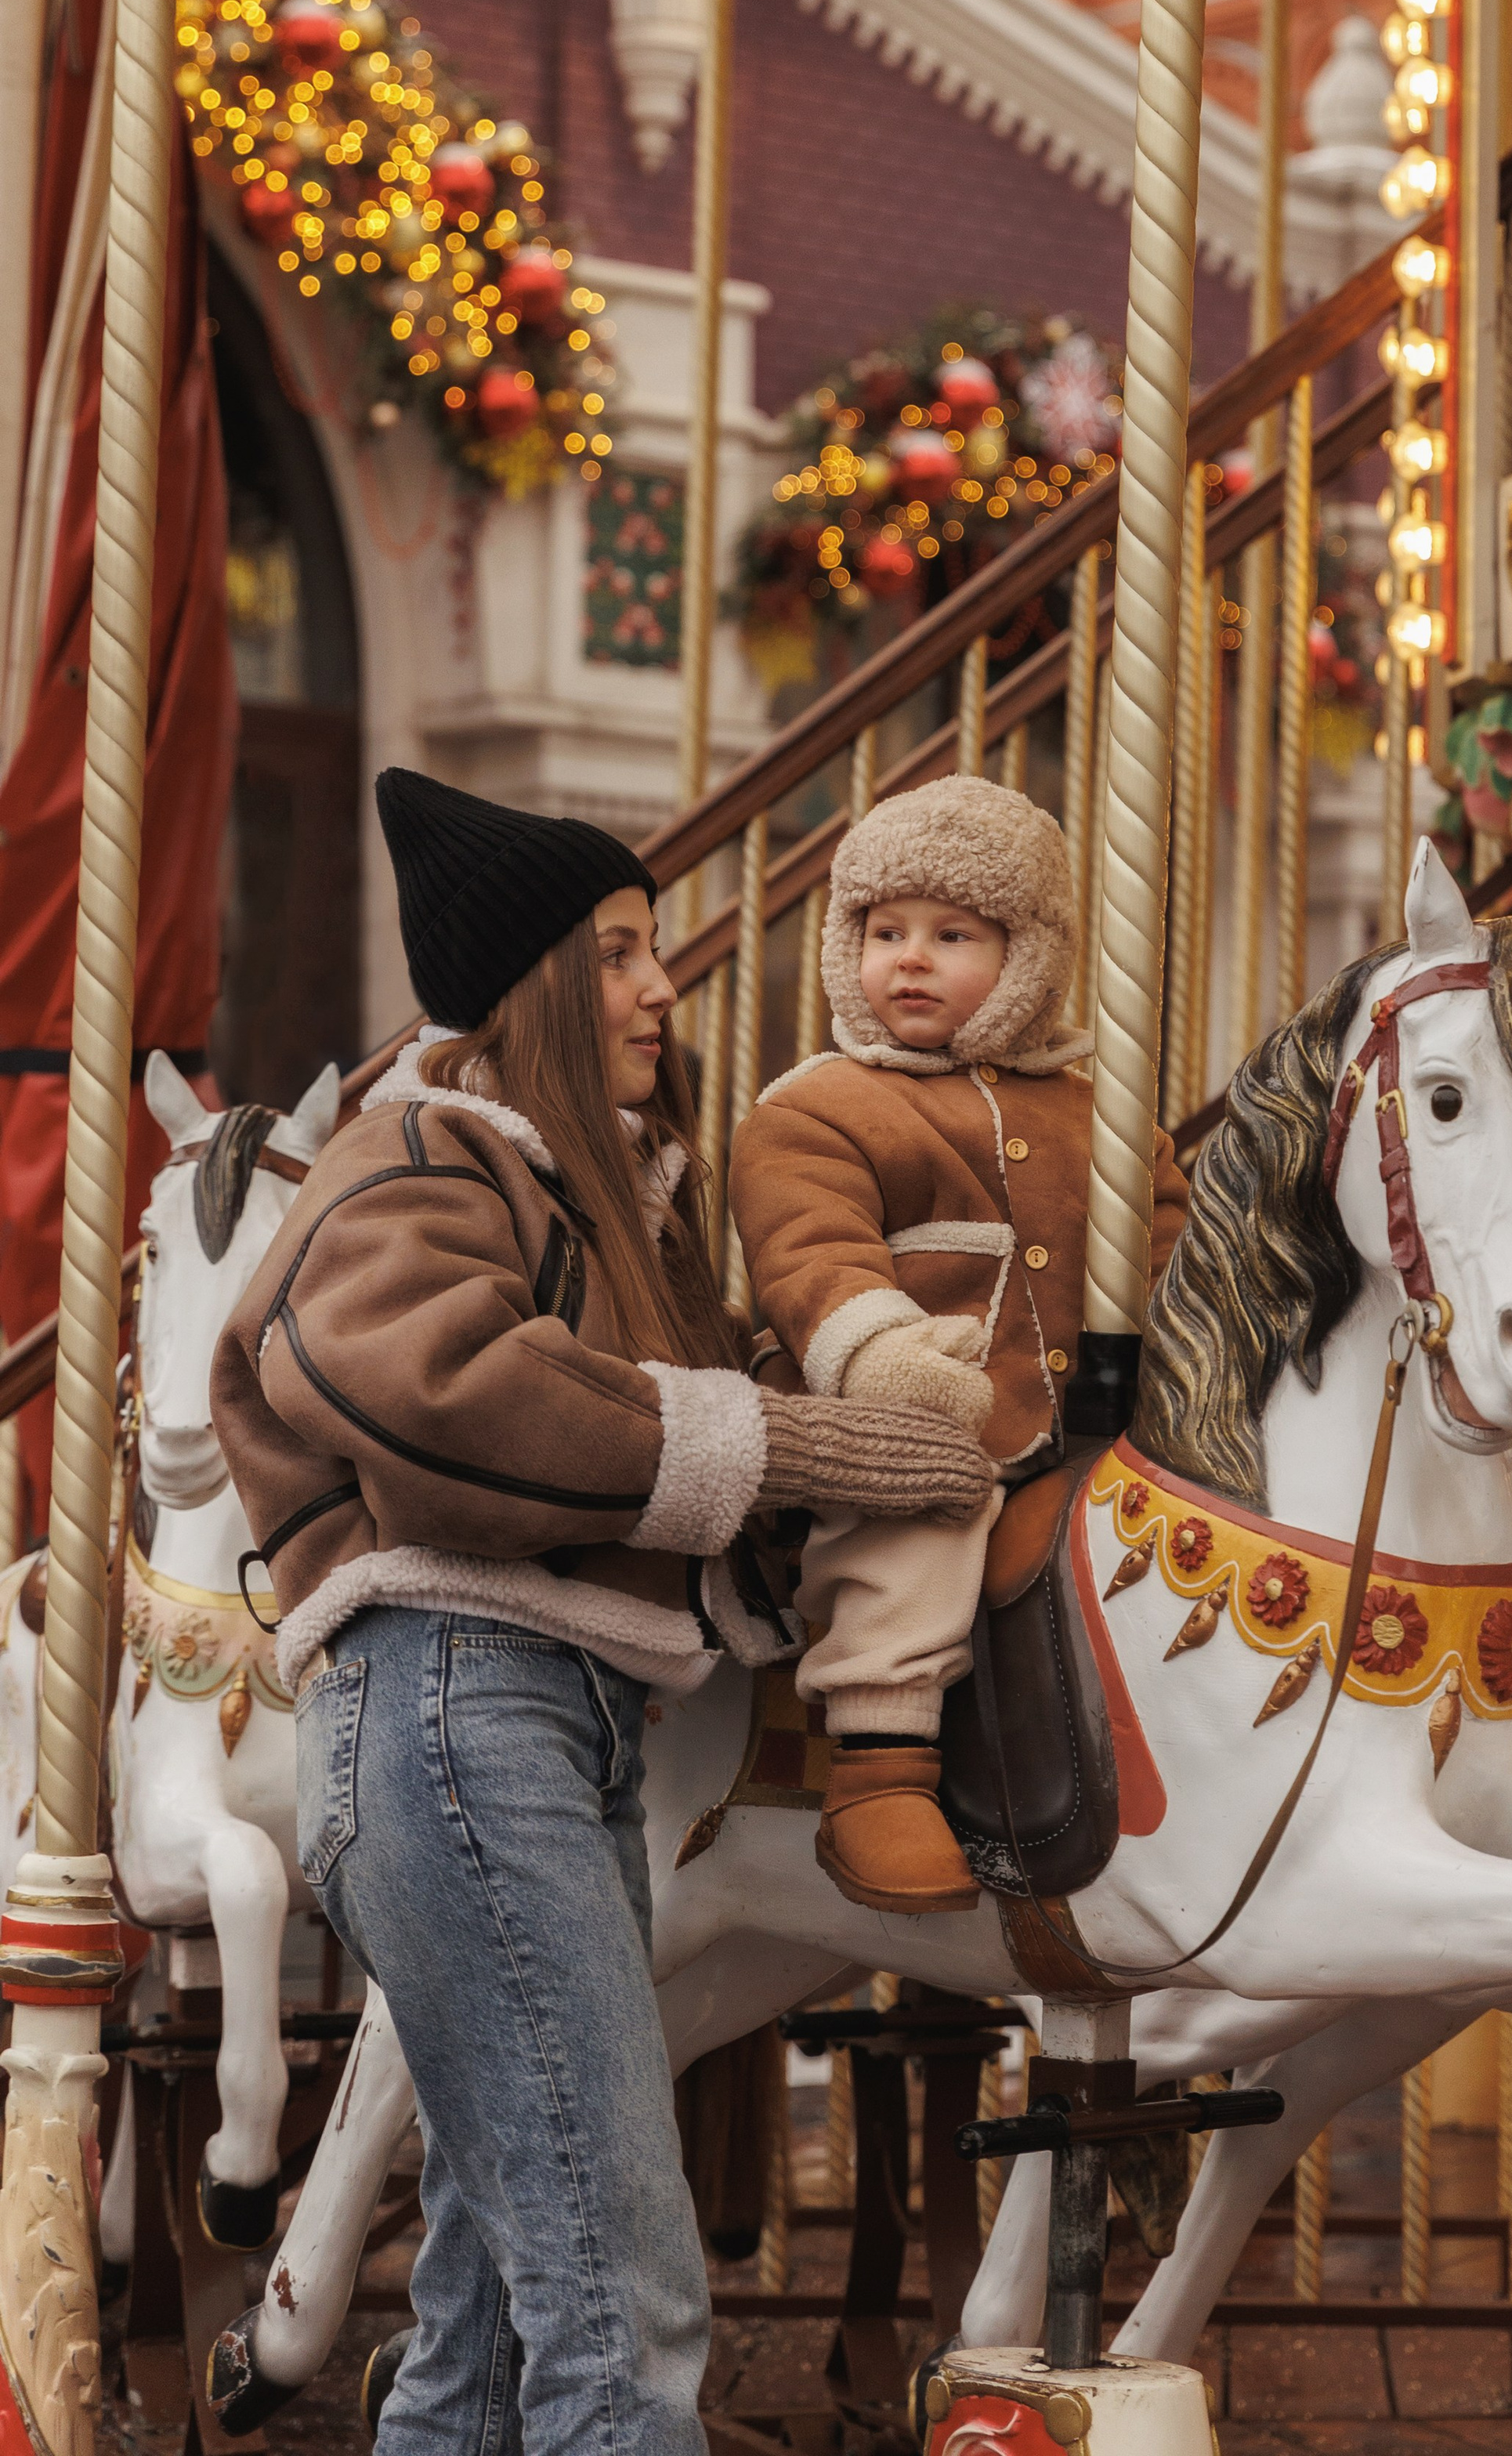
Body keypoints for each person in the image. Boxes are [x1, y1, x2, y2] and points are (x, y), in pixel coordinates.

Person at [210, 768, 990, 2456]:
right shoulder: (412, 1155)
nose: (661, 987)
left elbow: (673, 1443)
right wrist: (783, 1436)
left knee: (494, 2316)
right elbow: (437, 1388)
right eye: (624, 952)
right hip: (448, 1700)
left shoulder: (593, 1200)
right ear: (537, 985)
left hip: (539, 1724)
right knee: (621, 2293)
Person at [730, 772, 1186, 1917]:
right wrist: (876, 1354)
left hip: (1084, 1422)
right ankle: (880, 1767)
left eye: (953, 934)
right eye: (884, 932)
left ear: (1029, 959)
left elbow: (1177, 1239)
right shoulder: (819, 1106)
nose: (911, 959)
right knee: (925, 1504)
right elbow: (807, 1250)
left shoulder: (1101, 1113)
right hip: (886, 1409)